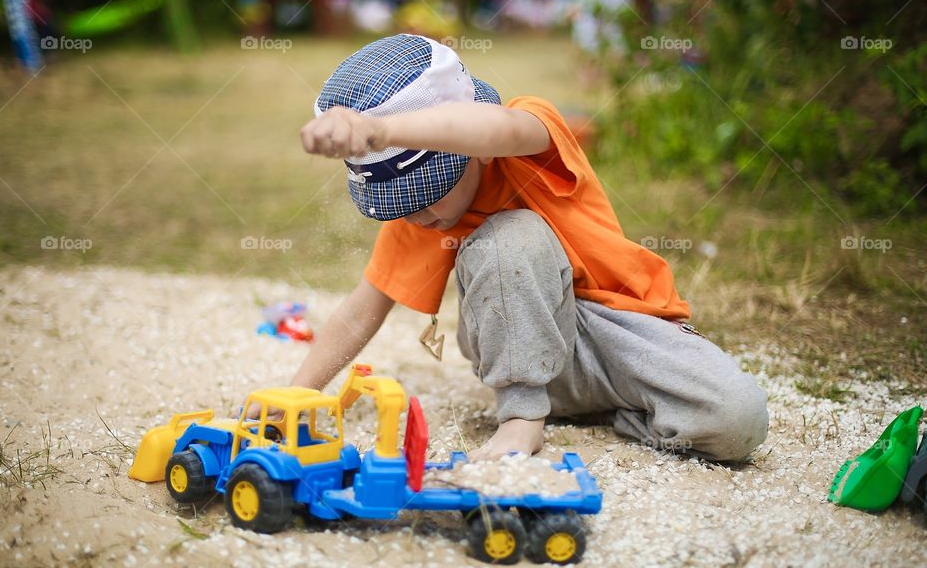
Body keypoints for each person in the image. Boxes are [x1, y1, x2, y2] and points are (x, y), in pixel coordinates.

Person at [279, 33, 768, 462]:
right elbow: (360, 310)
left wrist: (384, 131)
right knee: (506, 242)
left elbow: (500, 128)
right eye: (399, 202)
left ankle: (608, 412)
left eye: (426, 191)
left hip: (618, 336)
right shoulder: (425, 220)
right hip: (521, 350)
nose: (415, 211)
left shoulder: (526, 135)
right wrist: (296, 394)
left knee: (737, 421)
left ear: (472, 150)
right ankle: (522, 417)